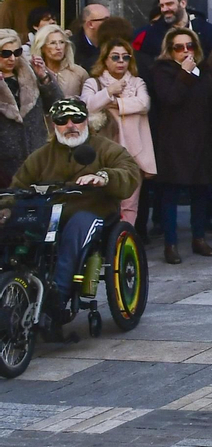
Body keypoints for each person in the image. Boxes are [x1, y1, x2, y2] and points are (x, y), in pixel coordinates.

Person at [5, 98, 141, 319]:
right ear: (54, 125)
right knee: (15, 228)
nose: (70, 125)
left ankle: (58, 295)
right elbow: (17, 188)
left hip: (93, 213)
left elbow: (129, 172)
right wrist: (6, 209)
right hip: (49, 216)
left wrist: (104, 177)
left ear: (86, 120)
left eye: (76, 118)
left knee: (77, 227)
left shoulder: (106, 148)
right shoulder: (41, 156)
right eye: (62, 120)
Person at [148, 27, 212, 263]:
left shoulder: (204, 70)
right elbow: (170, 98)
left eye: (190, 46)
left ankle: (199, 238)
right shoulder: (162, 70)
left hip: (202, 139)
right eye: (179, 47)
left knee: (201, 191)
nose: (185, 51)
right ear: (170, 50)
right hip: (173, 141)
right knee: (170, 194)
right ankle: (171, 243)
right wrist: (184, 73)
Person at [81, 39, 155, 233]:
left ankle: (125, 238)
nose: (121, 61)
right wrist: (108, 92)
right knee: (104, 201)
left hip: (134, 151)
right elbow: (86, 105)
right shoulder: (93, 82)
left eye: (125, 57)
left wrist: (115, 104)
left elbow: (144, 104)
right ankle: (105, 240)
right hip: (103, 151)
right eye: (115, 57)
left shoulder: (137, 82)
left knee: (130, 203)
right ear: (105, 60)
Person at [0, 27, 58, 187]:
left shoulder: (31, 73)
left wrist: (44, 77)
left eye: (17, 52)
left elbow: (56, 105)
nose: (12, 58)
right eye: (5, 53)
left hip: (36, 156)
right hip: (4, 164)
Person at [133, 0, 212, 61]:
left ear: (183, 3)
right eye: (162, 5)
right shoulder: (152, 34)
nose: (164, 9)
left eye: (169, 4)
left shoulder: (207, 30)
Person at [30, 24, 87, 98]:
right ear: (42, 47)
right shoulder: (32, 73)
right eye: (53, 43)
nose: (58, 47)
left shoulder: (79, 73)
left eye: (62, 42)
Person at [74, 4, 110, 69]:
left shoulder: (113, 43)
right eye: (105, 20)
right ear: (90, 24)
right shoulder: (72, 47)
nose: (110, 23)